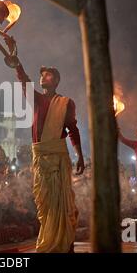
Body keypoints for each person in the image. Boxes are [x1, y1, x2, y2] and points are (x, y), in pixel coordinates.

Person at [16, 63, 85, 253]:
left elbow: (73, 130)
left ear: (55, 81)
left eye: (47, 75)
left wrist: (79, 156)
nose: (43, 78)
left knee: (63, 203)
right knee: (45, 204)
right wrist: (17, 63)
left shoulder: (66, 103)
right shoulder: (36, 99)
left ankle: (65, 244)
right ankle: (50, 241)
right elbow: (25, 82)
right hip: (40, 157)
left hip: (58, 158)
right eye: (42, 75)